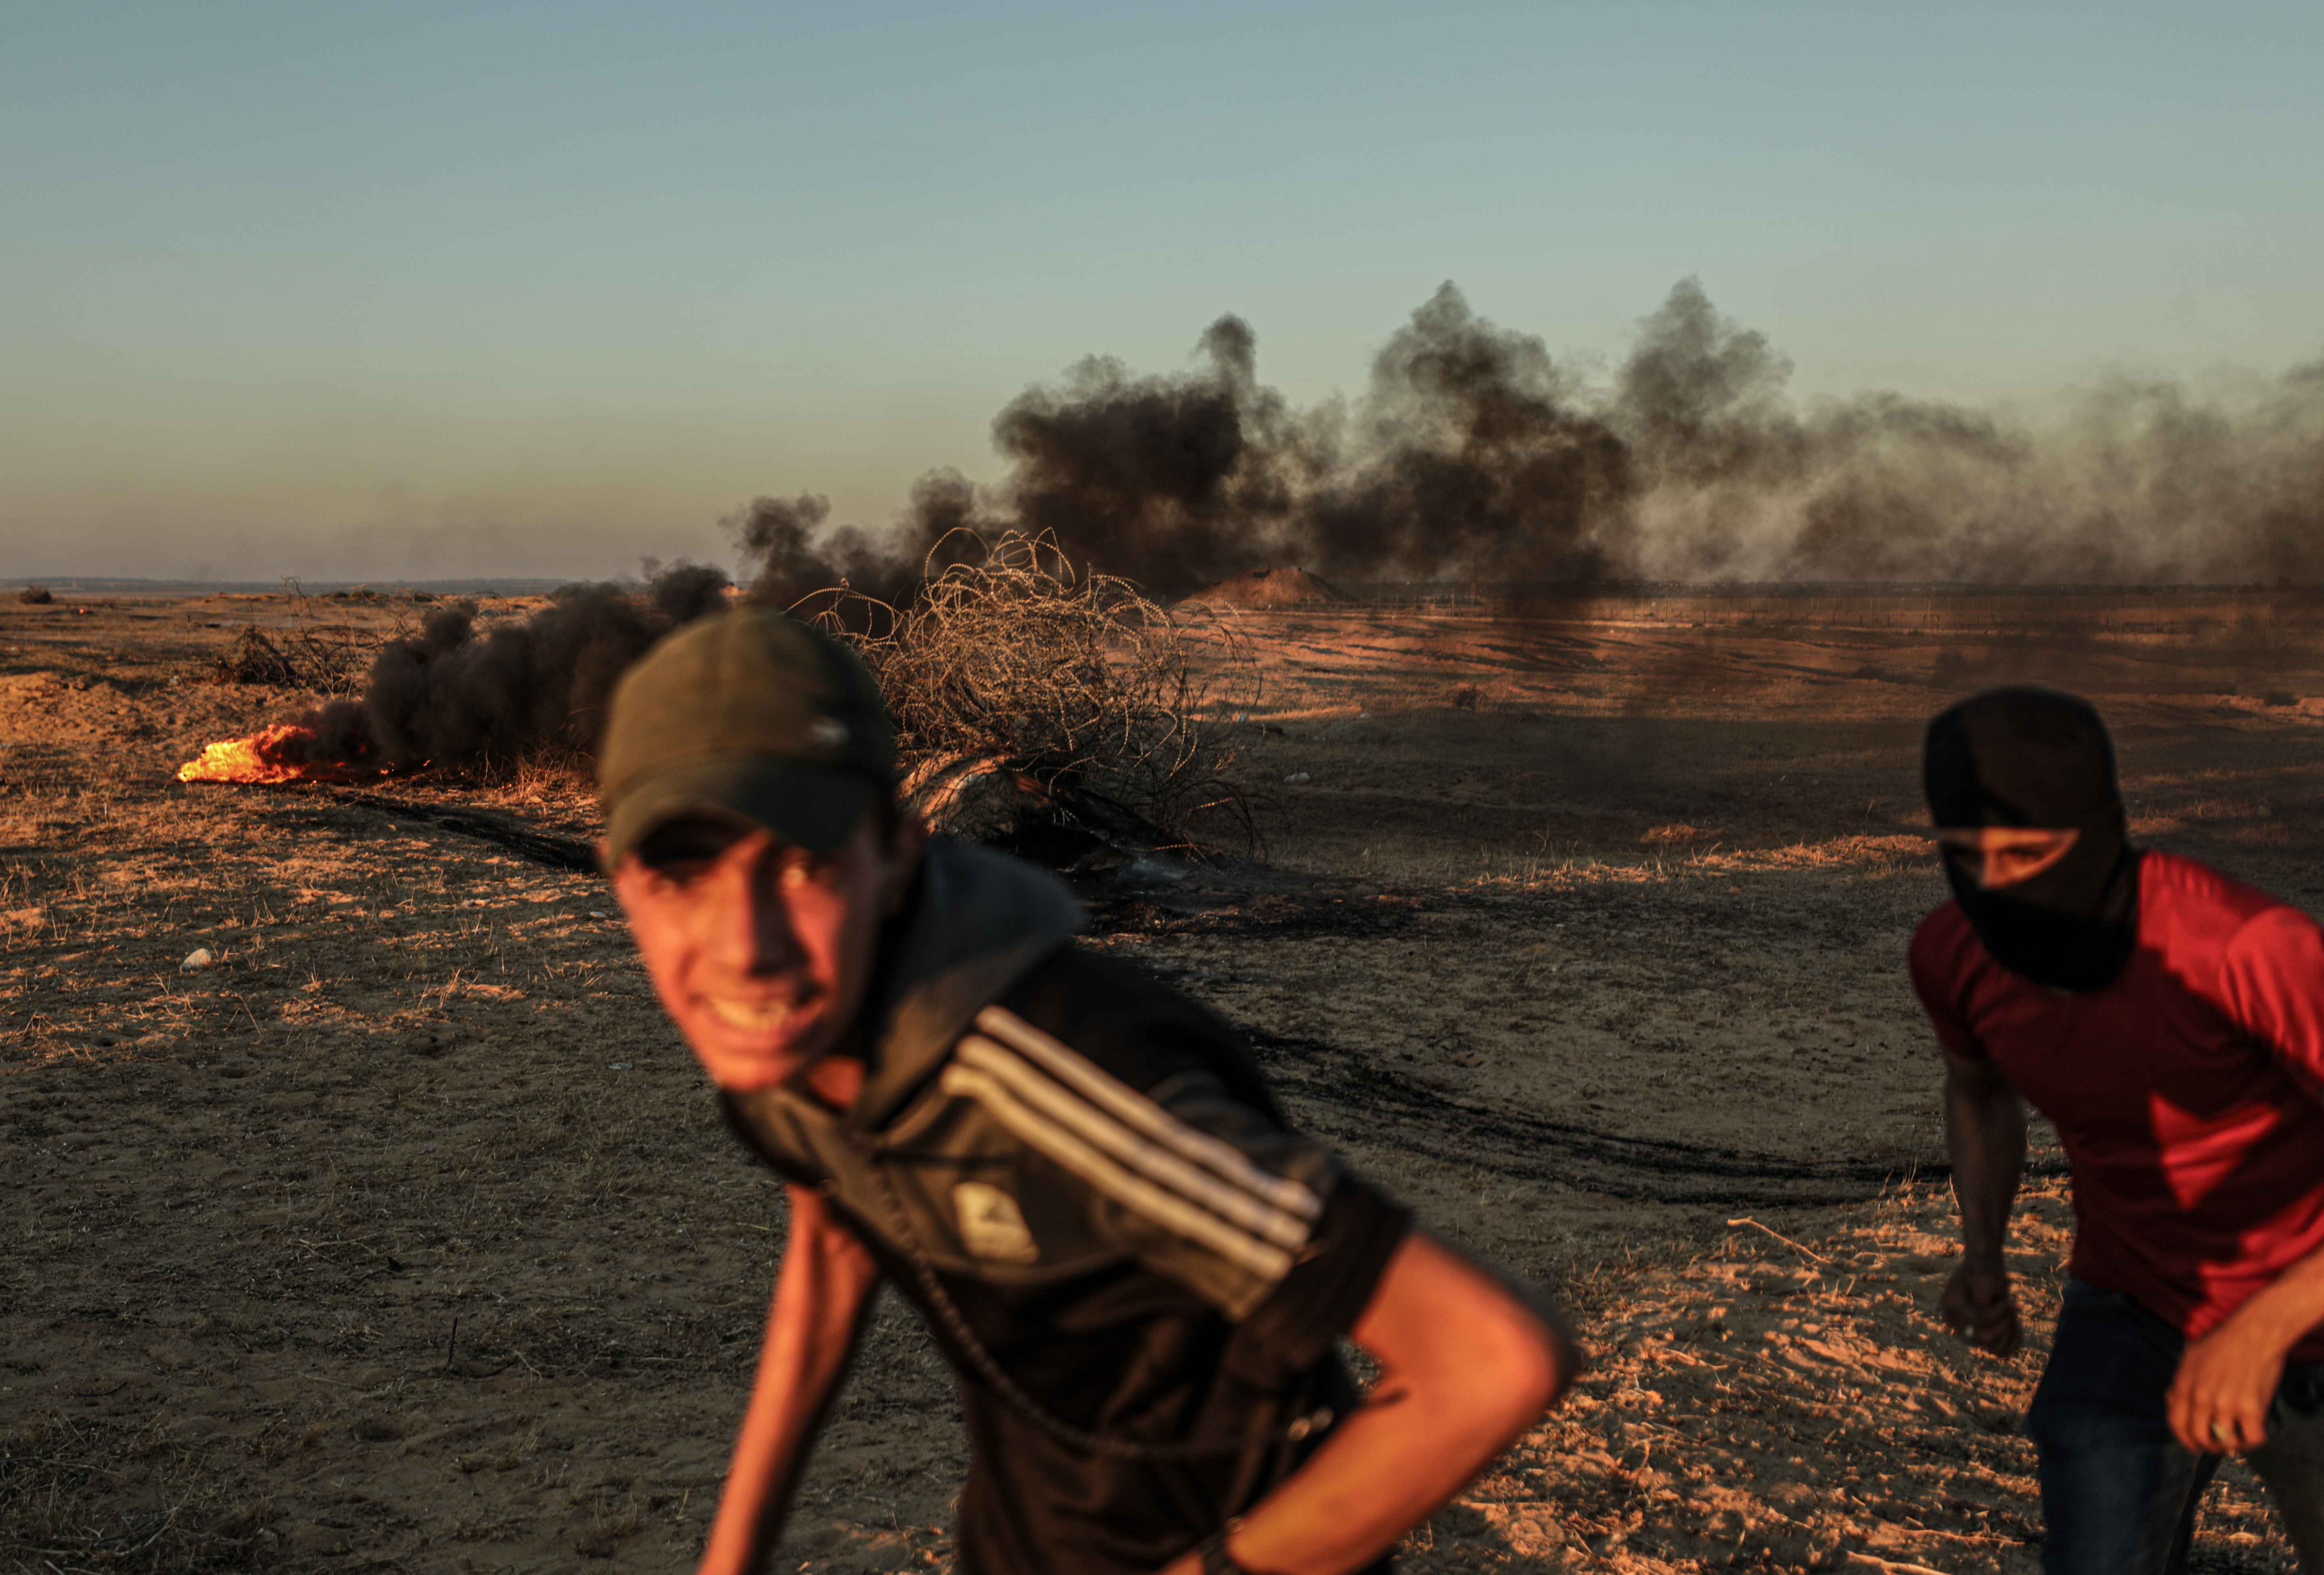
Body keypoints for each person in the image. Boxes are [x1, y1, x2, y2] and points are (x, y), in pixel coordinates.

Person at [594, 606, 1580, 1575]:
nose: (746, 948)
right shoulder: (788, 1042)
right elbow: (833, 1218)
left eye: (805, 866)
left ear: (898, 853)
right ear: (618, 876)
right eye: (683, 876)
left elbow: (1491, 1360)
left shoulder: (1061, 1084)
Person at [1909, 684, 2324, 1573]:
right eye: (1966, 856)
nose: (1997, 886)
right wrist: (1983, 1251)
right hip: (2133, 1309)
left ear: (2106, 829)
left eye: (2028, 851)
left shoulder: (2247, 947)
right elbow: (1978, 1089)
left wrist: (2265, 1323)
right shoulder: (1953, 956)